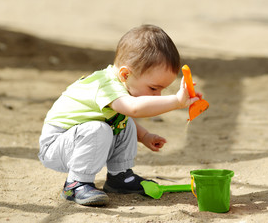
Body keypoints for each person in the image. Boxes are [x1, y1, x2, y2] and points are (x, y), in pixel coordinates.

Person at [38, 24, 201, 206]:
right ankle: (75, 184)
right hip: (56, 146)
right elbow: (134, 109)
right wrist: (176, 102)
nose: (157, 96)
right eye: (154, 88)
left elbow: (124, 116)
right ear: (125, 74)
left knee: (124, 123)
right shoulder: (105, 86)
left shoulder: (119, 84)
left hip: (80, 141)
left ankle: (119, 176)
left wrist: (144, 136)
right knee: (98, 128)